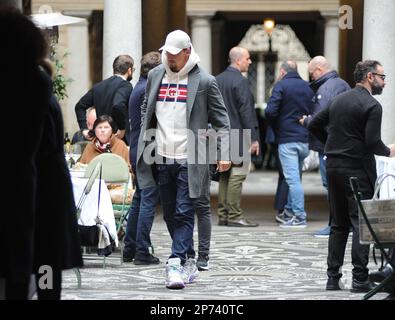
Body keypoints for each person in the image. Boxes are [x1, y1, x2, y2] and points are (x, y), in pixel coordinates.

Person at [136, 30, 231, 289]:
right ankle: (188, 257)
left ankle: (175, 262)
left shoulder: (205, 81)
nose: (169, 58)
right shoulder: (156, 75)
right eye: (167, 53)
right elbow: (147, 109)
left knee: (184, 210)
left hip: (192, 157)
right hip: (161, 156)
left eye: (175, 55)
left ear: (187, 52)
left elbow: (222, 121)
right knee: (168, 214)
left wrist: (225, 153)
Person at [0, 8, 82, 299]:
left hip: (37, 204)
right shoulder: (36, 82)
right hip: (42, 203)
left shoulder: (28, 84)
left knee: (34, 278)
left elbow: (22, 155)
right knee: (41, 279)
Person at [307, 60, 395, 292]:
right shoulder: (372, 106)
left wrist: (331, 145)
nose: (384, 82)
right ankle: (359, 279)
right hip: (357, 169)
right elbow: (372, 142)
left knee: (338, 224)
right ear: (369, 76)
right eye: (382, 77)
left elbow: (313, 124)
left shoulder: (338, 99)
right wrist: (389, 151)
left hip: (335, 167)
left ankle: (332, 278)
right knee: (360, 224)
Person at [300, 56, 350, 237]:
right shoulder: (342, 84)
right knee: (340, 187)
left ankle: (335, 224)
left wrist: (306, 121)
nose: (311, 78)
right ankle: (344, 223)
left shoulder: (325, 89)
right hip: (342, 143)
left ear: (320, 70)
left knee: (331, 187)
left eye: (312, 73)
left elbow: (320, 119)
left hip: (329, 146)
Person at [123, 51, 162, 265]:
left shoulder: (138, 87)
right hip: (146, 148)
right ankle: (141, 251)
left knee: (140, 198)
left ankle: (129, 248)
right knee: (148, 197)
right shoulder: (147, 88)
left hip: (137, 147)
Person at [265, 60, 314, 228]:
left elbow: (270, 111)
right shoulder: (308, 86)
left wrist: (277, 124)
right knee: (296, 177)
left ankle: (299, 217)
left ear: (283, 71)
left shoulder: (281, 86)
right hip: (304, 139)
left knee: (292, 180)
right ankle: (288, 210)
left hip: (287, 140)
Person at [215, 46, 260, 227]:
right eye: (248, 58)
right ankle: (234, 215)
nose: (249, 62)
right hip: (239, 134)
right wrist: (254, 138)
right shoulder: (240, 82)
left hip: (220, 134)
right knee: (237, 175)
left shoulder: (216, 80)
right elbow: (246, 111)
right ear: (238, 60)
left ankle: (223, 214)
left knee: (225, 175)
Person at [75, 55, 134, 144]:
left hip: (101, 140)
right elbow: (118, 104)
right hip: (119, 140)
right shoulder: (126, 85)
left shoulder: (99, 86)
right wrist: (122, 128)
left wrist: (84, 129)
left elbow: (79, 106)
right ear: (129, 70)